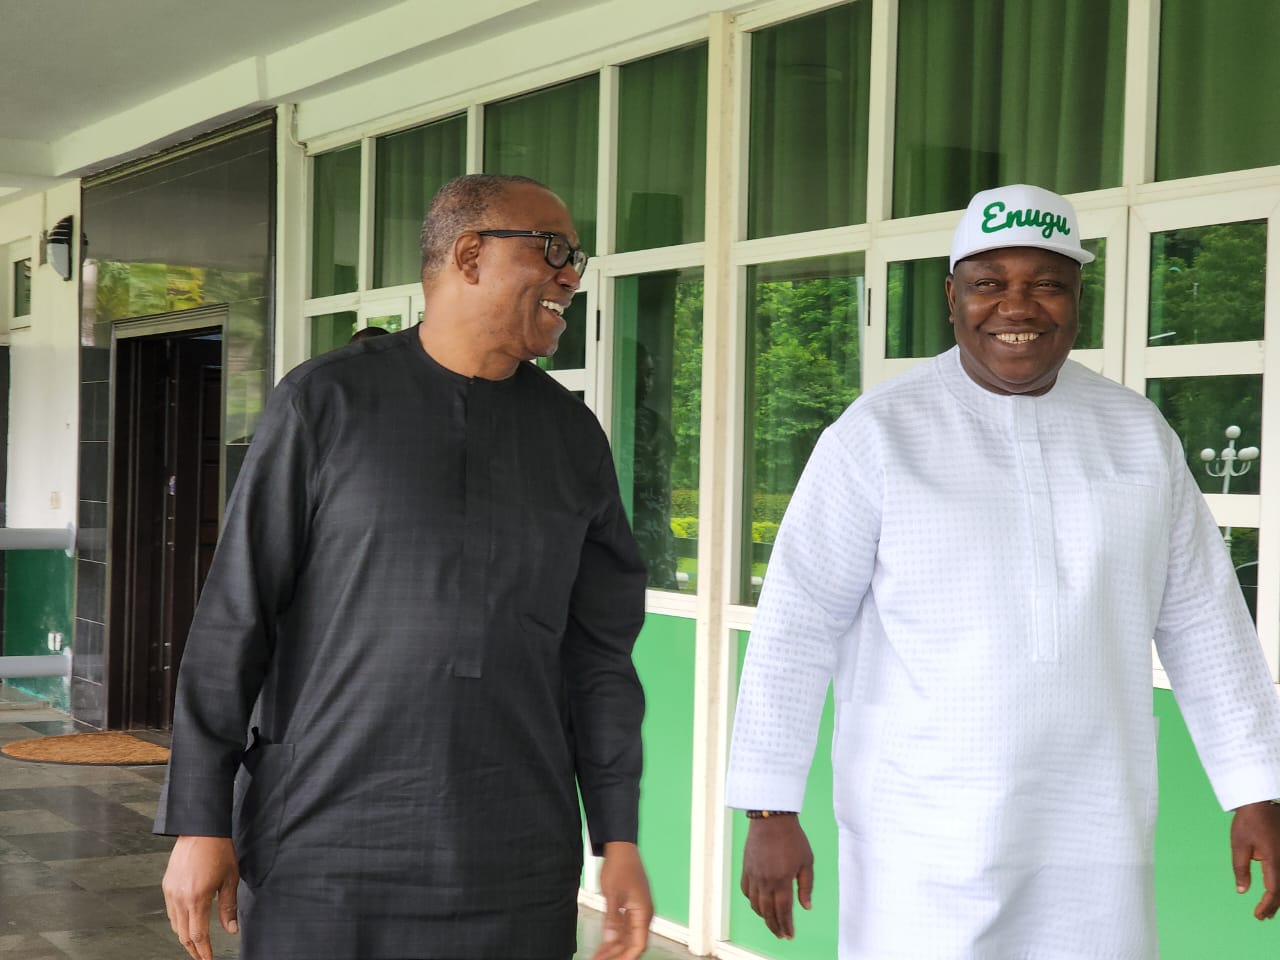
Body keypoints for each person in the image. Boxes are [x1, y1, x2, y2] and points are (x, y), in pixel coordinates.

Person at [726, 183, 1280, 958]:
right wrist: (768, 809)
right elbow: (796, 624)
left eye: (1046, 283)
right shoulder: (877, 436)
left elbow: (1201, 615)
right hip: (920, 837)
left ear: (1078, 299)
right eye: (989, 283)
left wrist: (1256, 787)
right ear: (952, 296)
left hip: (1094, 828)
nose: (1017, 307)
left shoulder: (1136, 434)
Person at [156, 173, 653, 960]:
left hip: (515, 860)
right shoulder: (324, 404)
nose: (572, 276)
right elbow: (233, 620)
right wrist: (200, 818)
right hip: (323, 848)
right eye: (554, 250)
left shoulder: (571, 439)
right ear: (468, 254)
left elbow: (597, 655)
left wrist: (617, 836)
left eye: (577, 259)